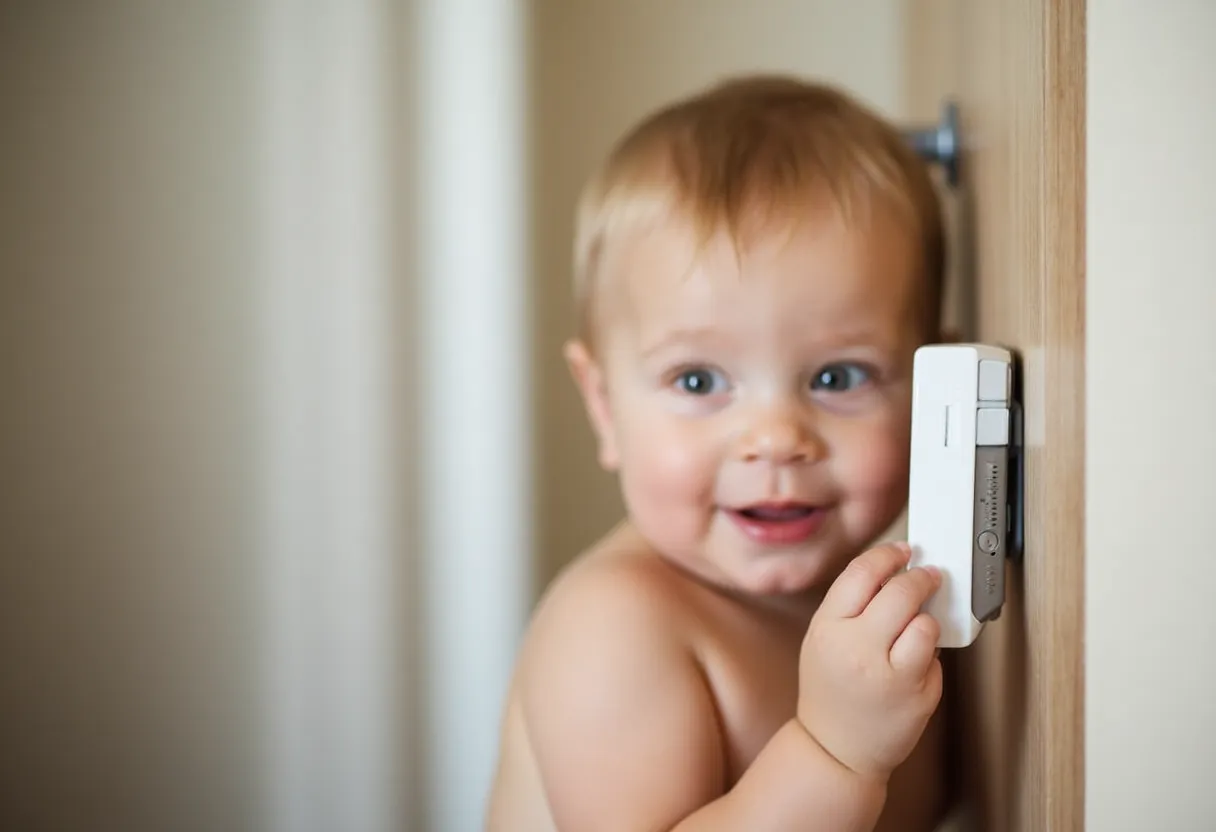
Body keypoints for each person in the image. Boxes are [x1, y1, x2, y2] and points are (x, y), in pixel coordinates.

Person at [486, 73, 953, 831]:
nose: (775, 438)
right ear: (603, 406)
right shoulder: (614, 631)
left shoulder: (884, 603)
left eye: (837, 377)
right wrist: (836, 754)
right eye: (699, 379)